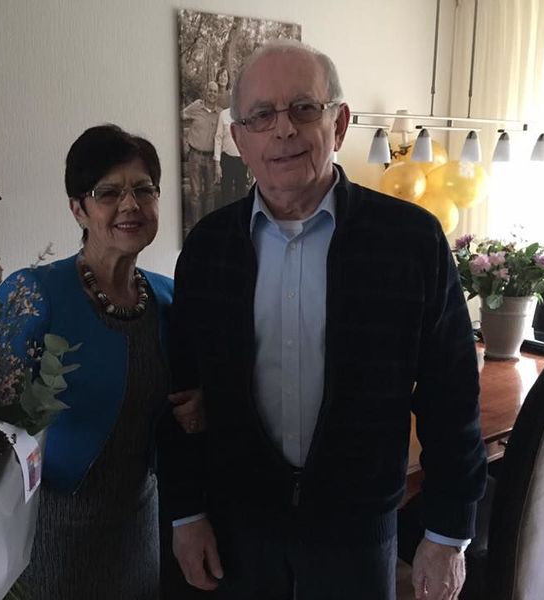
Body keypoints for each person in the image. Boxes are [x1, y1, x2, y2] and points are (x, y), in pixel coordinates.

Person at [157, 40, 487, 600]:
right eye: (262, 116)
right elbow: (183, 396)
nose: (283, 129)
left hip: (357, 533)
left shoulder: (410, 242)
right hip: (240, 531)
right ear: (239, 139)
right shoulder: (208, 248)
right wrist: (186, 513)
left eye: (304, 108)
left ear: (339, 123)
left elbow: (451, 395)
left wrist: (447, 532)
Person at [0, 124, 181, 599]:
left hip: (138, 530)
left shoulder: (169, 299)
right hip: (49, 537)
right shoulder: (32, 295)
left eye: (144, 190)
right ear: (78, 208)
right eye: (108, 193)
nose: (130, 205)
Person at [182, 82, 220, 229]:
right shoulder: (196, 107)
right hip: (195, 156)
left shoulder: (219, 113)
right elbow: (180, 115)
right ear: (205, 91)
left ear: (218, 94)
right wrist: (185, 140)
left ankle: (208, 226)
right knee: (195, 194)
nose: (212, 94)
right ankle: (197, 226)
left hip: (211, 158)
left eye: (215, 91)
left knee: (210, 193)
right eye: (210, 90)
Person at [213, 106, 248, 209]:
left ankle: (239, 217)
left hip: (242, 160)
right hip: (227, 159)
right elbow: (218, 138)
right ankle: (227, 217)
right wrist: (217, 164)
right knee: (226, 192)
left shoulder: (246, 114)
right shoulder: (223, 114)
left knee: (241, 193)